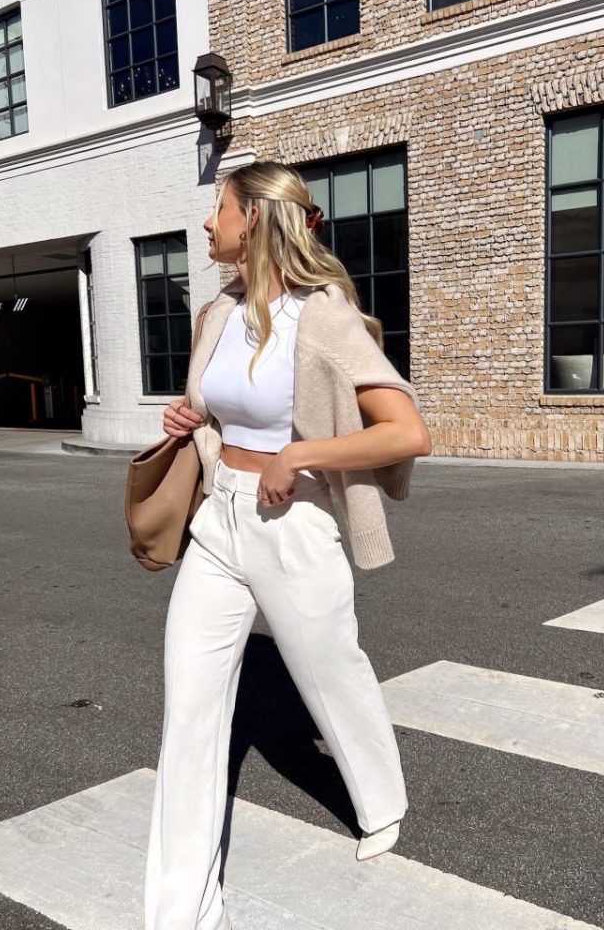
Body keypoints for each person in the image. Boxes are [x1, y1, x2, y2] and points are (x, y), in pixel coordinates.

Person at [144, 161, 432, 930]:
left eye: (220, 209)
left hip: (293, 524)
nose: (209, 223)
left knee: (331, 674)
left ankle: (381, 800)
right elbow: (220, 412)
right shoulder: (215, 313)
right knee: (191, 712)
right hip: (219, 525)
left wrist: (299, 455)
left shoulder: (323, 317)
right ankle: (183, 914)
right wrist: (191, 422)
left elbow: (406, 432)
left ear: (255, 221)